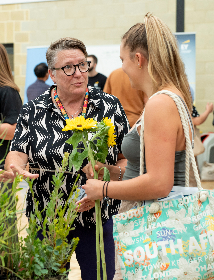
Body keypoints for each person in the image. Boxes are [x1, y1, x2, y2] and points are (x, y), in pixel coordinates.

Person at [75, 14, 195, 279]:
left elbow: (159, 183)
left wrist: (102, 189)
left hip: (153, 227)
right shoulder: (170, 97)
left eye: (122, 60)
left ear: (138, 59)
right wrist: (111, 171)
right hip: (158, 225)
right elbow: (152, 168)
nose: (122, 68)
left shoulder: (160, 103)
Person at [1, 37, 129, 280]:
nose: (79, 73)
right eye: (68, 68)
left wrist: (108, 174)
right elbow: (17, 152)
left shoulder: (108, 106)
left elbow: (126, 161)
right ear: (52, 74)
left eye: (83, 65)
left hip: (97, 219)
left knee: (100, 276)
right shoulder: (33, 110)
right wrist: (15, 167)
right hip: (47, 217)